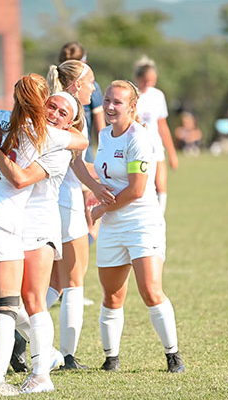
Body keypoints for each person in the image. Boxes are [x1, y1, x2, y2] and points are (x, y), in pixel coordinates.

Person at [0, 74, 86, 396]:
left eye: (63, 113)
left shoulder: (13, 125)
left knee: (25, 301)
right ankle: (11, 374)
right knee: (3, 303)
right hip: (2, 221)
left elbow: (74, 145)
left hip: (24, 223)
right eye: (51, 105)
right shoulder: (40, 133)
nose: (54, 113)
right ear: (40, 102)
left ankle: (38, 369)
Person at [88, 80, 184, 373]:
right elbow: (102, 175)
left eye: (117, 102)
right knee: (112, 295)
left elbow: (136, 190)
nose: (109, 107)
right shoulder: (104, 135)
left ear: (132, 107)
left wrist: (100, 208)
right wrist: (91, 190)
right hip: (113, 225)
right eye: (106, 100)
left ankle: (173, 356)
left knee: (151, 290)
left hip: (142, 222)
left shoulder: (139, 138)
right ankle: (111, 360)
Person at [44, 59, 114, 371]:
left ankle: (18, 332)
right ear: (75, 85)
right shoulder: (72, 112)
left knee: (54, 282)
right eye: (90, 82)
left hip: (42, 203)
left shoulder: (48, 108)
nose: (93, 89)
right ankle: (67, 356)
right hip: (65, 202)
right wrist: (95, 188)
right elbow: (75, 164)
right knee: (74, 282)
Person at [134, 56, 178, 214]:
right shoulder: (132, 95)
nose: (149, 84)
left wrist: (172, 154)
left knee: (161, 185)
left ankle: (160, 216)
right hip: (137, 148)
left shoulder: (158, 95)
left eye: (153, 80)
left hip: (156, 147)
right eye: (146, 80)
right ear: (138, 78)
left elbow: (162, 126)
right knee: (142, 186)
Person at [58, 41, 105, 163]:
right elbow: (100, 124)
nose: (92, 88)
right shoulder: (89, 86)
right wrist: (105, 153)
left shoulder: (53, 84)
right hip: (83, 154)